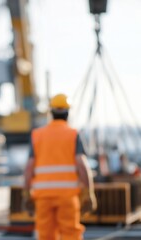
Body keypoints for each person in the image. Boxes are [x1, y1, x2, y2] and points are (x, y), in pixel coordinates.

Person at [24, 93, 96, 240]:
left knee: (46, 236)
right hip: (67, 197)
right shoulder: (73, 134)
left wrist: (26, 194)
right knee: (71, 234)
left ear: (51, 112)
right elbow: (82, 165)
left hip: (43, 198)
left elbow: (29, 168)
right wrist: (89, 192)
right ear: (68, 113)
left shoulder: (37, 135)